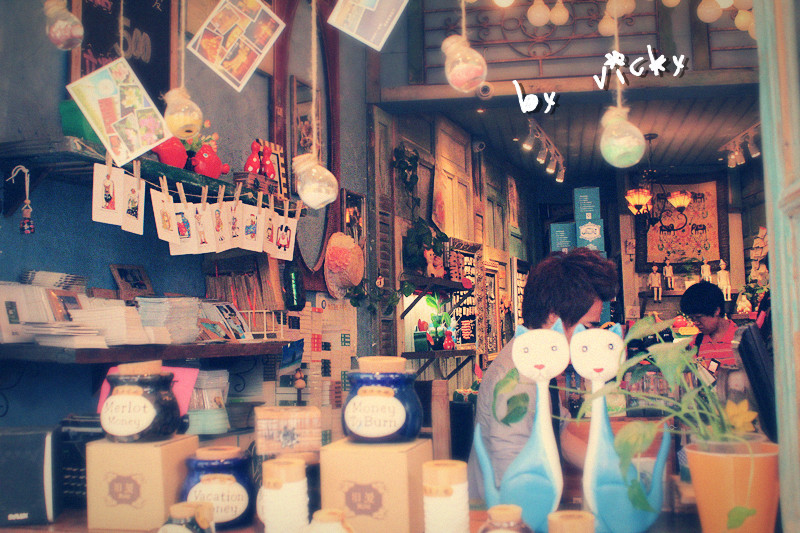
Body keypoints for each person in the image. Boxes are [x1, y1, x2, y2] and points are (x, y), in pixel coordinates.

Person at [467, 247, 618, 502]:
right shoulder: (517, 377)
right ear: (553, 317)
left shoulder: (540, 363)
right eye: (588, 327)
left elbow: (561, 429)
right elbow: (510, 479)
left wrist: (612, 470)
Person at [680, 281, 743, 402]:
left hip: (739, 409)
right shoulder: (694, 344)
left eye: (699, 317)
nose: (695, 323)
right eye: (692, 318)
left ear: (716, 311)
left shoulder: (742, 340)